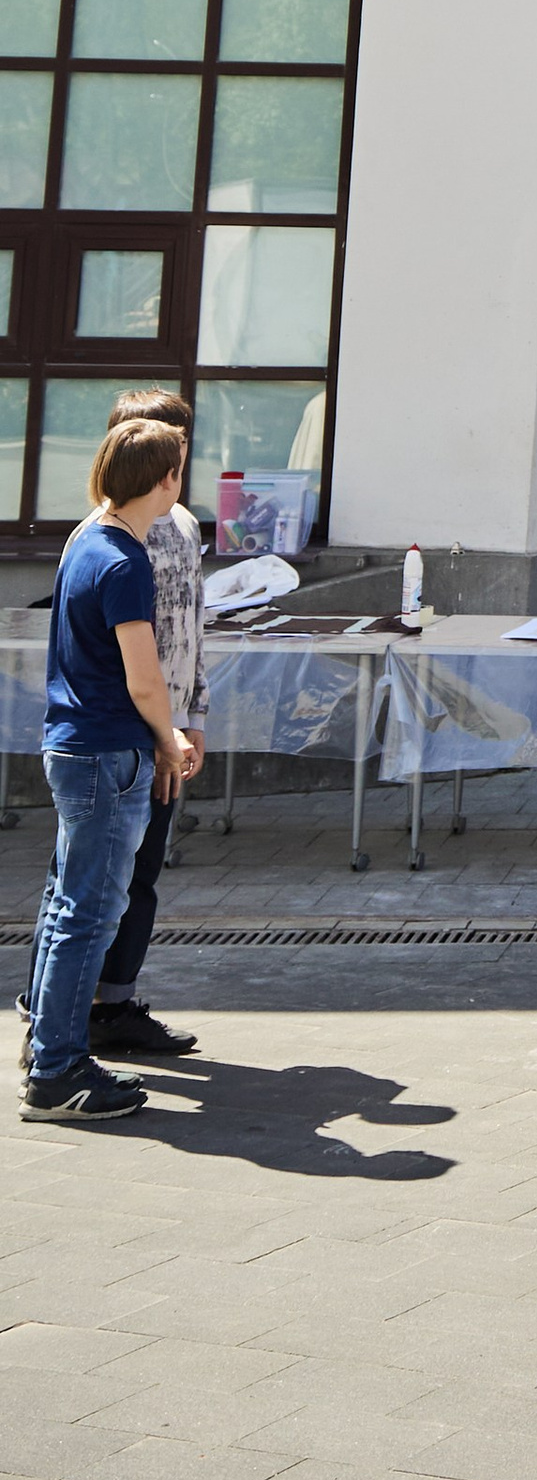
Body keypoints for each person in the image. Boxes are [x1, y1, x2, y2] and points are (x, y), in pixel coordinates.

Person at [23, 415, 197, 1126]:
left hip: (73, 743)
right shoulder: (125, 561)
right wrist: (170, 737)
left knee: (68, 903)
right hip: (106, 751)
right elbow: (144, 678)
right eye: (177, 469)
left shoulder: (87, 542)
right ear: (164, 480)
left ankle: (48, 1048)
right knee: (88, 913)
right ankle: (58, 1070)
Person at [62, 387, 206, 1065]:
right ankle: (69, 1014)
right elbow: (129, 665)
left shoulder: (181, 528)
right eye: (168, 450)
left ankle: (111, 1001)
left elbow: (190, 635)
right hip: (127, 735)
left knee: (139, 873)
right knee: (91, 884)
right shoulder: (107, 542)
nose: (179, 464)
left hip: (163, 732)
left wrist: (193, 718)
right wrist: (161, 730)